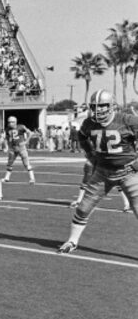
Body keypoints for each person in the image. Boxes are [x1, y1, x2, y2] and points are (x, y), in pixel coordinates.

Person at [59, 90, 138, 253]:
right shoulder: (88, 123)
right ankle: (72, 241)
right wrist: (90, 154)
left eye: (102, 105)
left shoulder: (127, 120)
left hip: (128, 172)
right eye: (95, 106)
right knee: (83, 208)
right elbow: (82, 137)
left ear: (112, 106)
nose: (99, 109)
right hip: (102, 172)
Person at [2, 116, 35, 184]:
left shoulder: (21, 127)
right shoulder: (7, 129)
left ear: (15, 122)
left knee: (26, 164)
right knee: (9, 164)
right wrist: (6, 147)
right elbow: (5, 138)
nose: (10, 123)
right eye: (9, 122)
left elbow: (30, 133)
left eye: (12, 122)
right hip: (13, 148)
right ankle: (6, 178)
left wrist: (26, 141)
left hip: (21, 148)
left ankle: (32, 178)